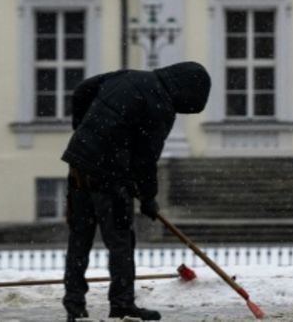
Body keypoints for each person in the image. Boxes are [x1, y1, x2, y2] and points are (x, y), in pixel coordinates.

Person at [61, 62, 211, 322]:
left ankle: (74, 307)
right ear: (184, 91)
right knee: (120, 242)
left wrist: (84, 131)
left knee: (79, 239)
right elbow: (146, 158)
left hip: (79, 163)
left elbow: (82, 90)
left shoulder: (128, 76)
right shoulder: (160, 105)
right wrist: (149, 198)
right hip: (109, 175)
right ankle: (122, 304)